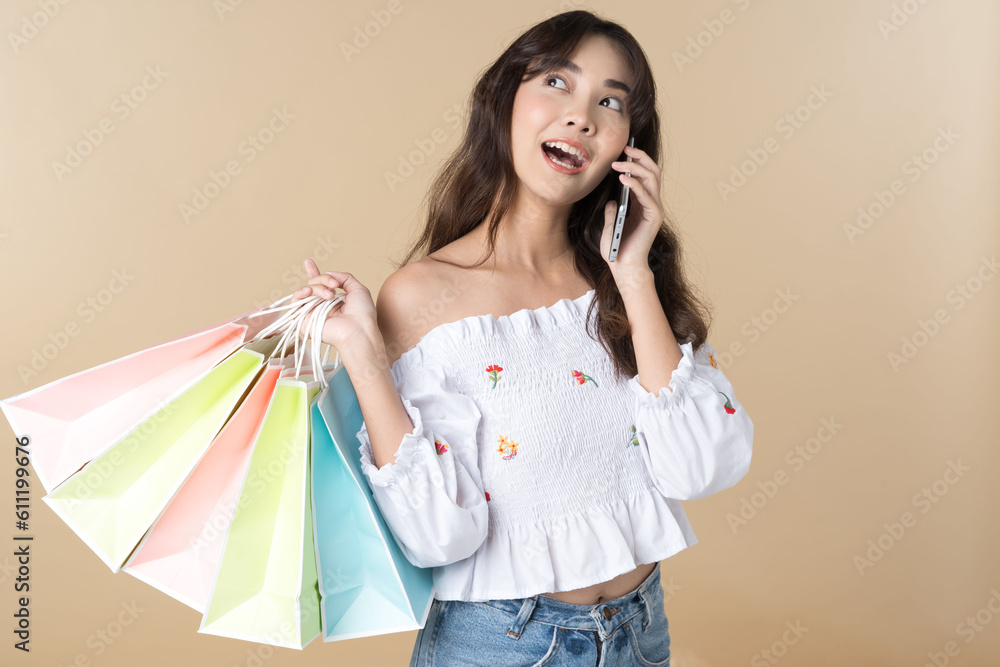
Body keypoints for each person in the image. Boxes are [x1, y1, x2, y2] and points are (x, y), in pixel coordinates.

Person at [290, 10, 753, 666]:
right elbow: (439, 536)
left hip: (639, 635)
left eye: (610, 101)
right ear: (504, 99)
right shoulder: (424, 296)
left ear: (628, 144)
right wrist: (364, 355)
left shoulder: (626, 283)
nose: (583, 116)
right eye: (558, 83)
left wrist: (633, 273)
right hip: (501, 644)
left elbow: (700, 466)